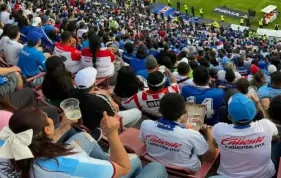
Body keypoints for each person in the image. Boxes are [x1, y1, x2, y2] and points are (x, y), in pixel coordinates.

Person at [0, 106, 167, 178]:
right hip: (68, 170)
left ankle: (106, 161)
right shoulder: (66, 163)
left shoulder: (8, 143)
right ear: (47, 130)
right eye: (48, 120)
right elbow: (124, 168)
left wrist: (64, 126)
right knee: (148, 165)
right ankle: (108, 163)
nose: (51, 119)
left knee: (82, 137)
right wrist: (112, 134)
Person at [140, 93, 216, 171]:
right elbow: (210, 157)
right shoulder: (193, 135)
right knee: (200, 143)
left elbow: (145, 142)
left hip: (154, 162)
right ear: (184, 112)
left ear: (159, 110)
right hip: (187, 170)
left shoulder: (146, 124)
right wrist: (209, 134)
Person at [211, 93, 278, 178]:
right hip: (265, 175)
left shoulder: (219, 129)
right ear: (255, 112)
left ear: (229, 117)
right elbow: (274, 134)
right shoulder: (266, 125)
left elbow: (213, 141)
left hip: (229, 176)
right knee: (276, 140)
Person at [70, 67, 142, 130]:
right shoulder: (100, 99)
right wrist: (108, 97)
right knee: (138, 112)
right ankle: (120, 129)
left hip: (87, 124)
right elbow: (114, 115)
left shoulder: (72, 92)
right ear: (94, 83)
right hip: (103, 127)